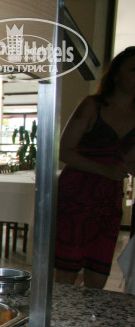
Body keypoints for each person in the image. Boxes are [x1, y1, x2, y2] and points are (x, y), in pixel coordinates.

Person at [54, 46, 135, 289]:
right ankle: (62, 313)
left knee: (98, 274)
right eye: (133, 70)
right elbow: (63, 150)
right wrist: (105, 170)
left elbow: (129, 161)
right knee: (66, 273)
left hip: (108, 199)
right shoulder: (93, 105)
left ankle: (89, 314)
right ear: (116, 74)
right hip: (76, 196)